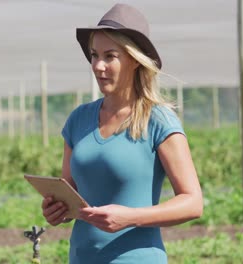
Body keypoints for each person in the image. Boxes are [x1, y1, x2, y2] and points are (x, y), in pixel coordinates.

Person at [41, 3, 202, 263]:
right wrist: (58, 209)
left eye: (110, 56)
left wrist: (130, 217)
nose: (98, 66)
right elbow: (71, 191)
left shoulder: (158, 120)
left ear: (134, 60)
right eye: (94, 55)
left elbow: (193, 202)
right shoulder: (78, 120)